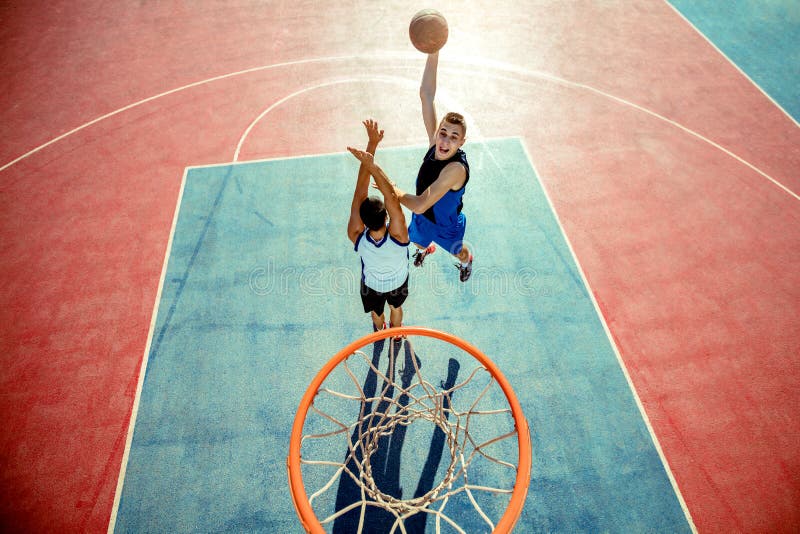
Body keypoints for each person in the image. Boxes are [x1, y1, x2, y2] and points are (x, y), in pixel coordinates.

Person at [387, 51, 473, 282]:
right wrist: (433, 51)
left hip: (447, 226)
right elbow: (426, 94)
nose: (445, 141)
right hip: (424, 219)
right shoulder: (435, 144)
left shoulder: (456, 170)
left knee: (458, 251)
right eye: (443, 133)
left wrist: (392, 190)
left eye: (454, 137)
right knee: (417, 241)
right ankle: (425, 248)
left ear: (461, 142)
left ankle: (467, 261)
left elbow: (421, 203)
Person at [347, 120, 410, 332]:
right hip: (398, 282)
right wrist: (373, 165)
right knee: (396, 307)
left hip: (372, 286)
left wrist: (371, 145)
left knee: (376, 312)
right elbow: (392, 198)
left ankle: (380, 331)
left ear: (363, 221)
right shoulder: (399, 235)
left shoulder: (356, 235)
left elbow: (359, 194)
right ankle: (397, 333)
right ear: (386, 217)